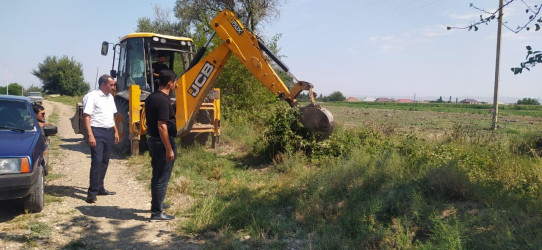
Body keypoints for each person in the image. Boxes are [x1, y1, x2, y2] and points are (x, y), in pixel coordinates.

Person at [145, 69, 177, 220]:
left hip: (153, 140)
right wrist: (169, 149)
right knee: (162, 177)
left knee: (157, 175)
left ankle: (157, 204)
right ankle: (157, 212)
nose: (175, 85)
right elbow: (162, 126)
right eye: (175, 82)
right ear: (170, 83)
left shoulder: (151, 97)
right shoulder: (163, 100)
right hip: (162, 142)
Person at [82, 74, 120, 203]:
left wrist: (115, 131)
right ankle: (92, 193)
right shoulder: (92, 96)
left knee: (104, 161)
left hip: (109, 131)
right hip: (96, 131)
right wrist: (90, 135)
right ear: (103, 84)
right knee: (97, 162)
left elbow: (111, 117)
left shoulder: (110, 97)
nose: (113, 87)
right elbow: (86, 116)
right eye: (111, 85)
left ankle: (100, 187)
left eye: (113, 85)